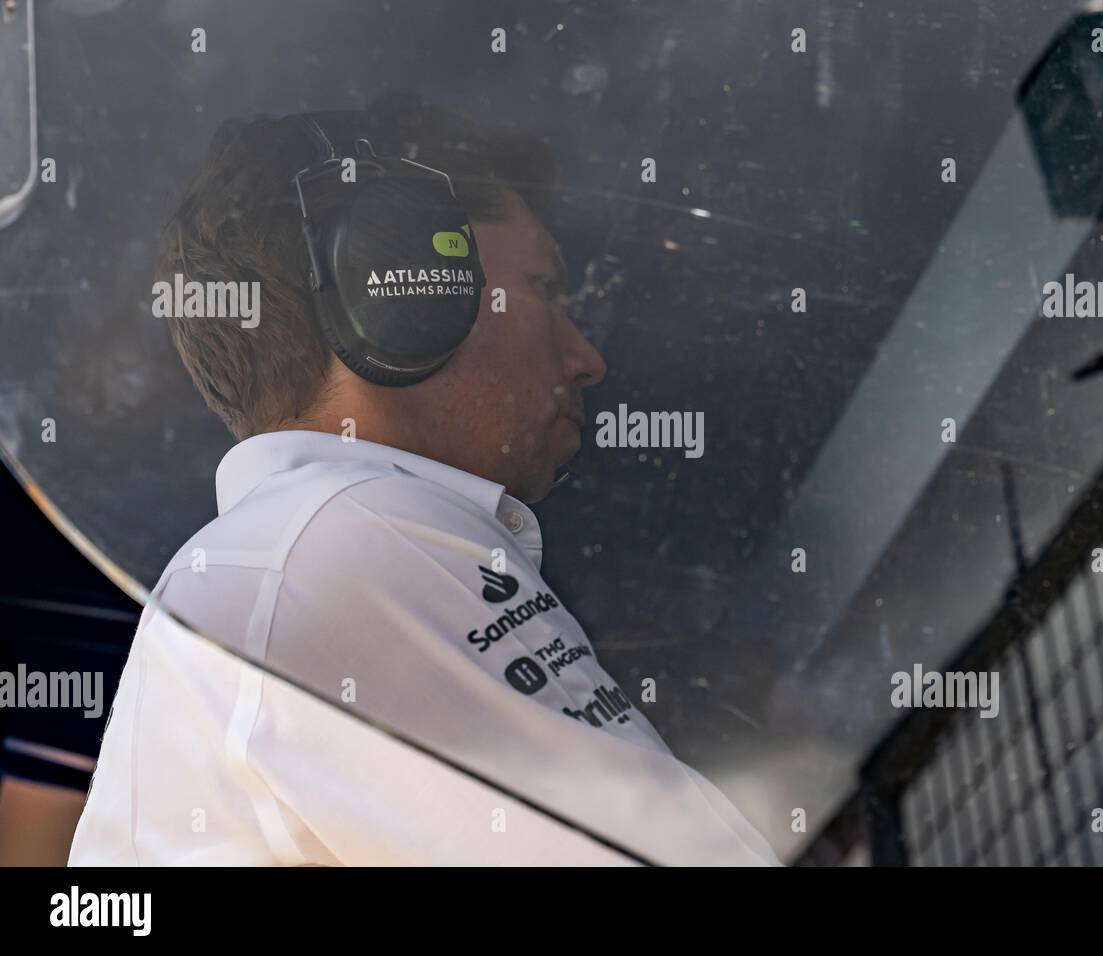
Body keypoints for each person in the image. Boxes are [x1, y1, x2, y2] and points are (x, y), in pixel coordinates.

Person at [68, 93, 779, 866]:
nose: (586, 358)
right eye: (545, 288)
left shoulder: (288, 552)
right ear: (397, 290)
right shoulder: (341, 542)